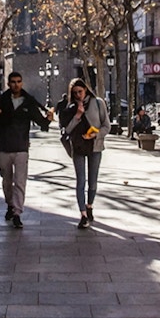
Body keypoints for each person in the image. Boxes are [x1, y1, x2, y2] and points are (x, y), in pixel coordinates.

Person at [0, 71, 54, 229]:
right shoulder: (2, 100)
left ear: (22, 83)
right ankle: (10, 205)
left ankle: (17, 212)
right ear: (8, 83)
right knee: (6, 180)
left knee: (20, 181)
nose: (16, 84)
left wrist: (49, 119)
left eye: (19, 81)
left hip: (21, 147)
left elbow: (41, 122)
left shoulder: (28, 102)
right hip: (4, 146)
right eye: (13, 81)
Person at [59, 78, 110, 229]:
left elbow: (106, 126)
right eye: (74, 93)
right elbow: (66, 130)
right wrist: (77, 116)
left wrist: (96, 134)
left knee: (92, 181)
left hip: (95, 146)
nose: (78, 95)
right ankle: (82, 215)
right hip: (79, 147)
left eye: (80, 92)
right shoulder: (71, 107)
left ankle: (89, 206)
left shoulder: (98, 103)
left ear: (86, 90)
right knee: (80, 181)